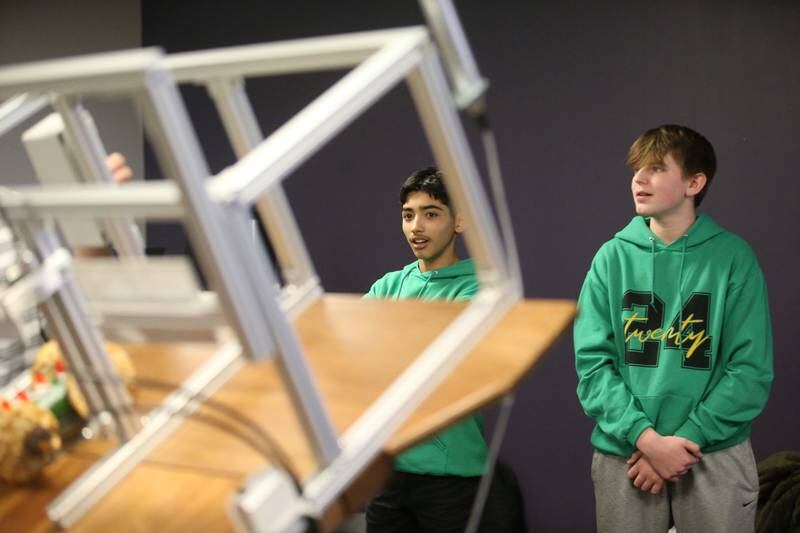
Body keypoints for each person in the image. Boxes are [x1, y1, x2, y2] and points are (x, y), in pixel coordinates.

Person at [574, 124, 774, 533]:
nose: (639, 179)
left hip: (711, 454)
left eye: (655, 169)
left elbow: (750, 370)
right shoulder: (610, 258)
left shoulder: (733, 257)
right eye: (636, 170)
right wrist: (647, 441)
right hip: (627, 458)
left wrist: (684, 442)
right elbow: (593, 367)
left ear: (694, 182)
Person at [364, 167, 487, 533]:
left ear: (459, 220)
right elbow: (352, 356)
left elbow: (441, 366)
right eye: (408, 215)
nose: (416, 226)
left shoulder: (481, 289)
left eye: (431, 214)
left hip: (449, 476)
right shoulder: (389, 285)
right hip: (387, 471)